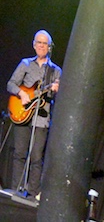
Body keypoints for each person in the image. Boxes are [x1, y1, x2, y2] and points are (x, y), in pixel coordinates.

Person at [6, 29, 62, 200]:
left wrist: (55, 91)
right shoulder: (25, 64)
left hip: (41, 118)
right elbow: (11, 84)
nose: (41, 46)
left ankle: (31, 195)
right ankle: (16, 190)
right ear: (34, 44)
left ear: (49, 47)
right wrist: (22, 94)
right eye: (38, 42)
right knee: (19, 153)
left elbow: (56, 95)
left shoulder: (55, 71)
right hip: (22, 115)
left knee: (36, 157)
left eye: (44, 43)